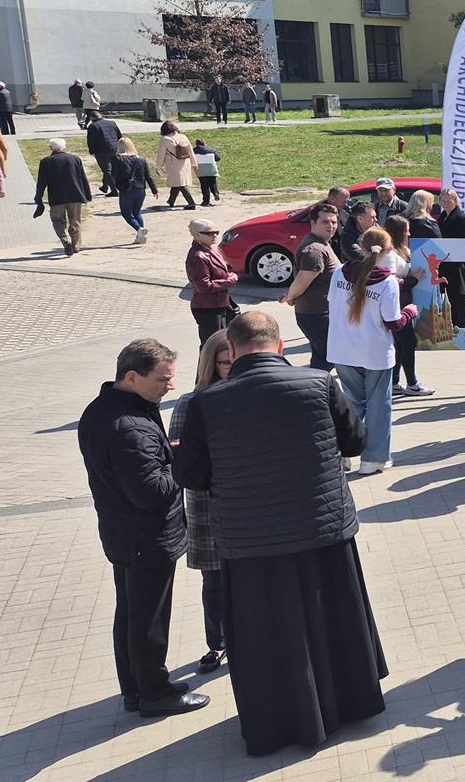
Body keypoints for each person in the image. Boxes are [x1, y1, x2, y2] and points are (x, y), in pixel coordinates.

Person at [173, 312, 386, 756]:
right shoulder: (319, 383)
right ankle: (351, 704)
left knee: (267, 634)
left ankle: (278, 722)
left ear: (232, 350)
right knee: (334, 619)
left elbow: (190, 475)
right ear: (281, 346)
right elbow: (355, 441)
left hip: (250, 540)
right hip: (323, 528)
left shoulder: (204, 404)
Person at [79, 339, 209, 718]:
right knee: (148, 619)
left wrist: (164, 454)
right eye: (162, 379)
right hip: (146, 537)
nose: (170, 386)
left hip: (124, 533)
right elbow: (150, 491)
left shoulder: (104, 409)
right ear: (132, 377)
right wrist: (180, 459)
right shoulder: (129, 427)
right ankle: (155, 694)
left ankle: (136, 689)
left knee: (131, 613)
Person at [166, 332, 233, 674]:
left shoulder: (251, 394)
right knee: (215, 581)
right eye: (225, 362)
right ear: (210, 364)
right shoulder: (191, 403)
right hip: (207, 505)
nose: (232, 367)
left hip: (249, 505)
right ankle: (217, 642)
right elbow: (179, 464)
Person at [327, 226, 418, 474]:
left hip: (342, 348)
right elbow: (393, 322)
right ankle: (374, 459)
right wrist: (410, 312)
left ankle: (342, 452)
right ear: (389, 251)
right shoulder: (387, 282)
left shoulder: (339, 273)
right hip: (374, 352)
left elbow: (332, 303)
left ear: (361, 246)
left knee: (351, 404)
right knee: (378, 406)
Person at [282, 202, 341, 371]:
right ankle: (316, 386)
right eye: (325, 222)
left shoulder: (322, 244)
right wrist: (290, 297)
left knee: (322, 358)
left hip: (320, 314)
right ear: (313, 223)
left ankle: (315, 385)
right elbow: (302, 282)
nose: (331, 226)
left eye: (333, 222)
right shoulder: (314, 250)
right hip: (317, 315)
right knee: (328, 359)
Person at [383, 215, 431, 398]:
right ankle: (412, 384)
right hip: (397, 305)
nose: (409, 234)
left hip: (405, 303)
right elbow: (391, 282)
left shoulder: (403, 250)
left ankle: (394, 382)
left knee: (400, 345)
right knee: (408, 342)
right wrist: (413, 279)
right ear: (398, 233)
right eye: (406, 231)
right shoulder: (390, 254)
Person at [33, 137, 92, 256]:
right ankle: (76, 245)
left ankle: (66, 241)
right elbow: (82, 178)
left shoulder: (46, 162)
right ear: (64, 147)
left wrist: (38, 197)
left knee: (57, 220)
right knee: (75, 221)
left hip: (57, 197)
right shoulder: (75, 159)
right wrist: (87, 194)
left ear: (51, 148)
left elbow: (41, 182)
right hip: (75, 196)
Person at [185, 218, 238, 341]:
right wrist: (230, 280)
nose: (214, 236)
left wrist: (227, 273)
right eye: (209, 233)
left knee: (222, 341)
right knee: (211, 344)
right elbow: (204, 286)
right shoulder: (198, 256)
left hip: (219, 304)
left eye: (216, 232)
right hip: (208, 308)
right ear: (197, 235)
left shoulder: (208, 250)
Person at [435, 189, 465, 327]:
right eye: (443, 200)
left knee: (461, 297)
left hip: (458, 264)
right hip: (446, 263)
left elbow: (464, 242)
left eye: (449, 201)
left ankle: (462, 326)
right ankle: (454, 324)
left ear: (455, 201)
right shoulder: (442, 217)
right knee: (451, 296)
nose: (446, 203)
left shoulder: (461, 219)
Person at [112, 137, 159, 244]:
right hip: (140, 189)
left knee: (126, 214)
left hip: (126, 190)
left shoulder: (117, 159)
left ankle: (139, 229)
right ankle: (140, 237)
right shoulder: (141, 159)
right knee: (137, 213)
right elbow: (148, 176)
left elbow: (113, 175)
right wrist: (154, 189)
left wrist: (114, 186)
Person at [156, 121, 198, 210]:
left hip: (173, 163)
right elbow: (190, 151)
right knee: (178, 182)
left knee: (180, 184)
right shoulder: (183, 137)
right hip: (185, 162)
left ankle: (191, 203)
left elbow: (161, 154)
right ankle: (171, 201)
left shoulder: (165, 139)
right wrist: (194, 163)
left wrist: (159, 166)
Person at [85, 110, 123, 195]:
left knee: (107, 170)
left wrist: (92, 151)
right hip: (115, 148)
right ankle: (105, 187)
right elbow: (119, 136)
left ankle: (114, 191)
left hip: (102, 151)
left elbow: (91, 140)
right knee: (112, 170)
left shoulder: (93, 126)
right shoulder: (112, 123)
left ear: (92, 118)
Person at [192, 138, 222, 206]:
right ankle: (215, 193)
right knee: (213, 182)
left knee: (204, 185)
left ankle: (206, 201)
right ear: (204, 143)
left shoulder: (194, 150)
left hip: (201, 170)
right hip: (211, 169)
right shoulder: (211, 150)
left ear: (197, 144)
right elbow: (218, 158)